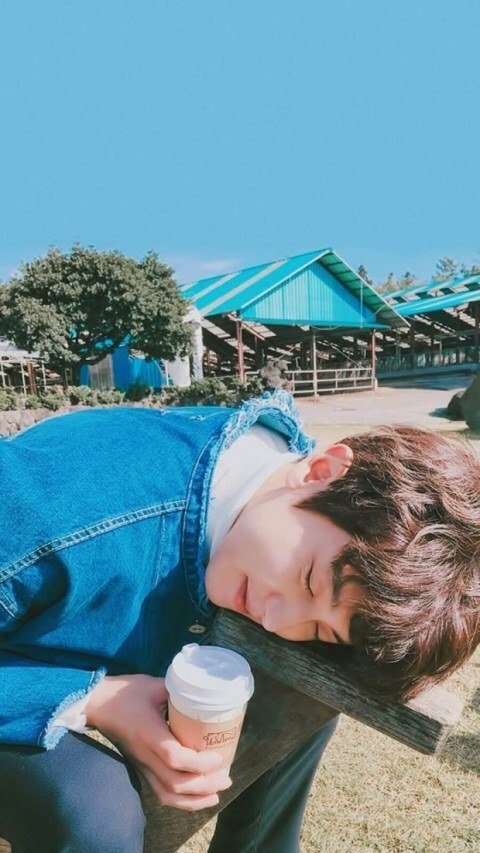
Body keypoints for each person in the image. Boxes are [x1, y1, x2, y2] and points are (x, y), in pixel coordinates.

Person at [0, 389, 478, 852]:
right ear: (320, 472)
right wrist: (95, 700)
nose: (275, 618)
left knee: (300, 684)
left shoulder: (284, 499)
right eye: (309, 581)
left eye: (319, 627)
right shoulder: (61, 513)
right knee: (96, 812)